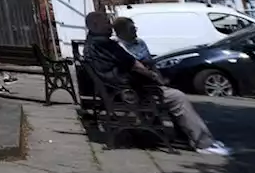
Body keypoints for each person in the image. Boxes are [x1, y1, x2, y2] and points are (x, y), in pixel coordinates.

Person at [83, 11, 228, 156]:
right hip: (128, 92)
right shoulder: (106, 45)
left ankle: (186, 136)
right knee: (178, 97)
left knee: (170, 93)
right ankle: (203, 143)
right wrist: (154, 77)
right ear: (95, 24)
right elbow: (134, 64)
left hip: (116, 91)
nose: (110, 26)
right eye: (106, 22)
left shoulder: (91, 44)